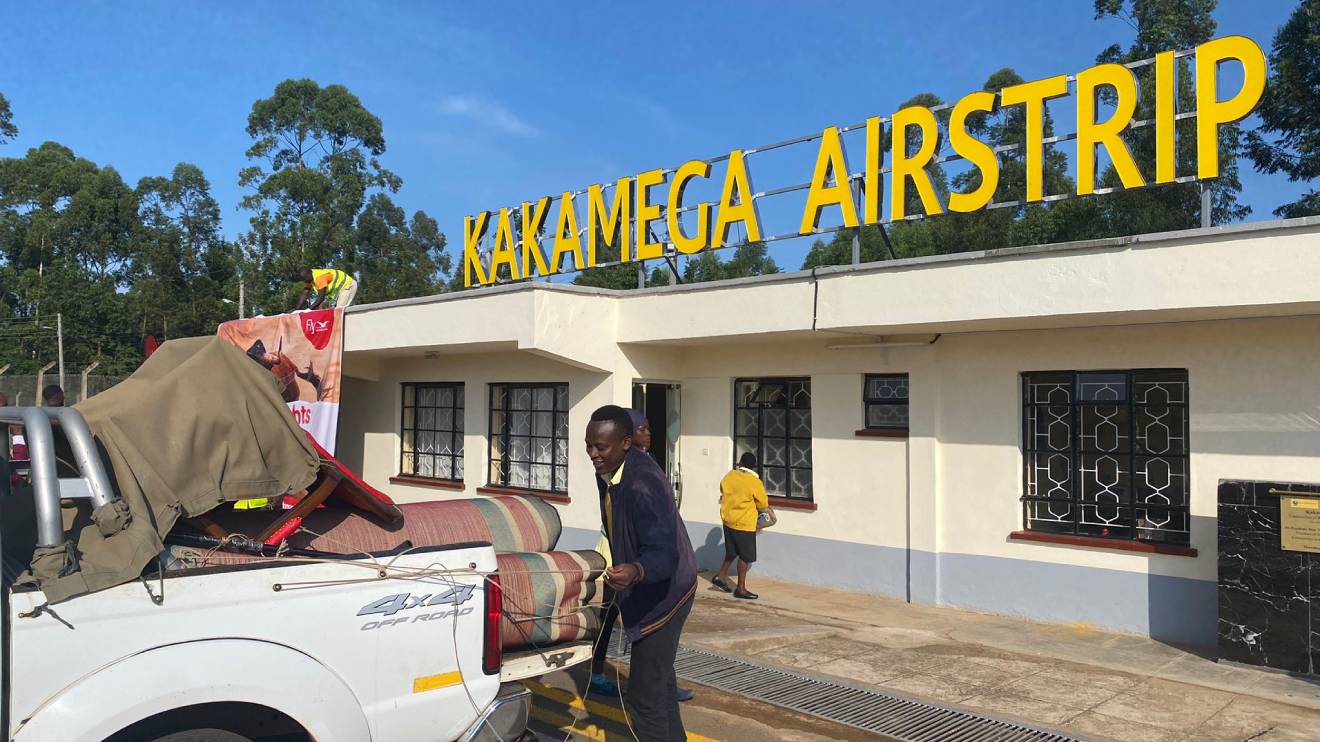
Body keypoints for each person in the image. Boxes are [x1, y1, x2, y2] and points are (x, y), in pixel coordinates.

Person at [587, 405, 697, 742]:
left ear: (625, 443)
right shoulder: (608, 471)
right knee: (659, 684)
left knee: (644, 698)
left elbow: (665, 554)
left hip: (666, 595)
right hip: (643, 589)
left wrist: (636, 570)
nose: (593, 455)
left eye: (601, 447)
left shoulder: (643, 483)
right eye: (589, 446)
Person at [712, 452, 768, 600]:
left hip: (728, 520)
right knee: (745, 556)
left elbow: (722, 489)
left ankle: (721, 577)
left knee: (732, 551)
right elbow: (763, 504)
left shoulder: (730, 475)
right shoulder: (754, 482)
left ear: (741, 462)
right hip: (744, 524)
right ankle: (741, 589)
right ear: (754, 466)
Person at [294, 267, 358, 310]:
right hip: (342, 290)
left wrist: (308, 310)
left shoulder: (320, 278)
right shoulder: (310, 278)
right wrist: (296, 309)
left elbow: (320, 298)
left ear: (309, 275)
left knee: (339, 311)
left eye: (305, 279)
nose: (304, 281)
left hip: (348, 286)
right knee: (338, 311)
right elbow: (305, 293)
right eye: (303, 280)